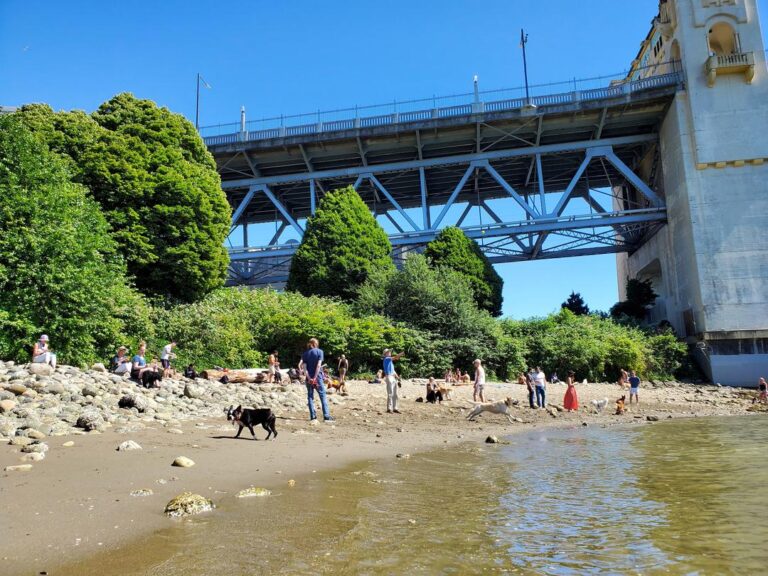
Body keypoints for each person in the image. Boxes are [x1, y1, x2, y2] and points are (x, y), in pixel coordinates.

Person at [298, 338, 333, 423]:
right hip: (318, 378)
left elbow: (304, 368)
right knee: (322, 395)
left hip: (308, 378)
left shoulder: (305, 354)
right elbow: (318, 365)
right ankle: (326, 416)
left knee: (310, 397)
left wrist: (309, 378)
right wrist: (315, 377)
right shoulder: (320, 352)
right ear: (316, 343)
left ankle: (313, 417)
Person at [382, 348, 404, 414]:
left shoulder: (389, 361)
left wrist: (398, 378)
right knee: (390, 393)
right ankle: (389, 408)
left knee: (395, 394)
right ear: (385, 354)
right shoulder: (386, 359)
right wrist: (401, 354)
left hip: (393, 377)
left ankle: (395, 408)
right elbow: (396, 357)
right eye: (388, 352)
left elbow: (393, 371)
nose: (390, 352)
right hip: (389, 376)